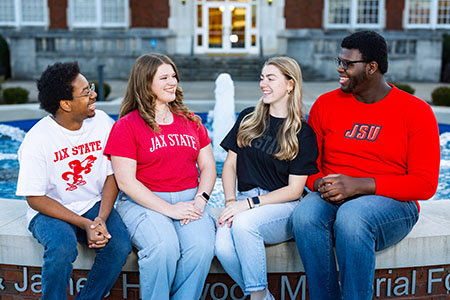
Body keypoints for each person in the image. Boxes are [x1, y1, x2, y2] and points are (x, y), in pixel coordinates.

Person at [290, 30, 441, 300]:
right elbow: (308, 165)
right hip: (333, 194)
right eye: (339, 61)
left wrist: (359, 185)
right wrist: (321, 183)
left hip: (392, 202)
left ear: (372, 67)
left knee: (353, 216)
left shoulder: (416, 111)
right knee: (304, 216)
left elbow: (425, 184)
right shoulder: (326, 105)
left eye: (348, 63)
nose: (340, 68)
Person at [104, 53, 217, 300]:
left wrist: (201, 201)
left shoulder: (191, 121)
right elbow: (126, 182)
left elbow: (208, 167)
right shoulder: (126, 125)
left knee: (202, 247)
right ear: (146, 84)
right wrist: (169, 209)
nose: (172, 82)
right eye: (164, 77)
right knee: (163, 247)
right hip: (144, 203)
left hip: (190, 200)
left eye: (174, 76)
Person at [16, 62, 132, 300]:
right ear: (66, 104)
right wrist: (84, 224)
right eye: (86, 92)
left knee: (119, 246)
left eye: (90, 87)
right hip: (50, 210)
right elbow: (35, 198)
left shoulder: (101, 122)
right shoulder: (37, 140)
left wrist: (100, 218)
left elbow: (113, 175)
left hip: (92, 204)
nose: (94, 95)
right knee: (61, 248)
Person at [215, 56, 319, 300]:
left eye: (271, 78)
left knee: (245, 224)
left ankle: (258, 297)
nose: (263, 84)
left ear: (290, 84)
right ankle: (262, 296)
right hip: (243, 199)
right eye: (262, 78)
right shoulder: (248, 117)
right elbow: (230, 165)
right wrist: (231, 201)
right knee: (221, 247)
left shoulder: (302, 133)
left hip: (283, 207)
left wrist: (247, 206)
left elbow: (295, 190)